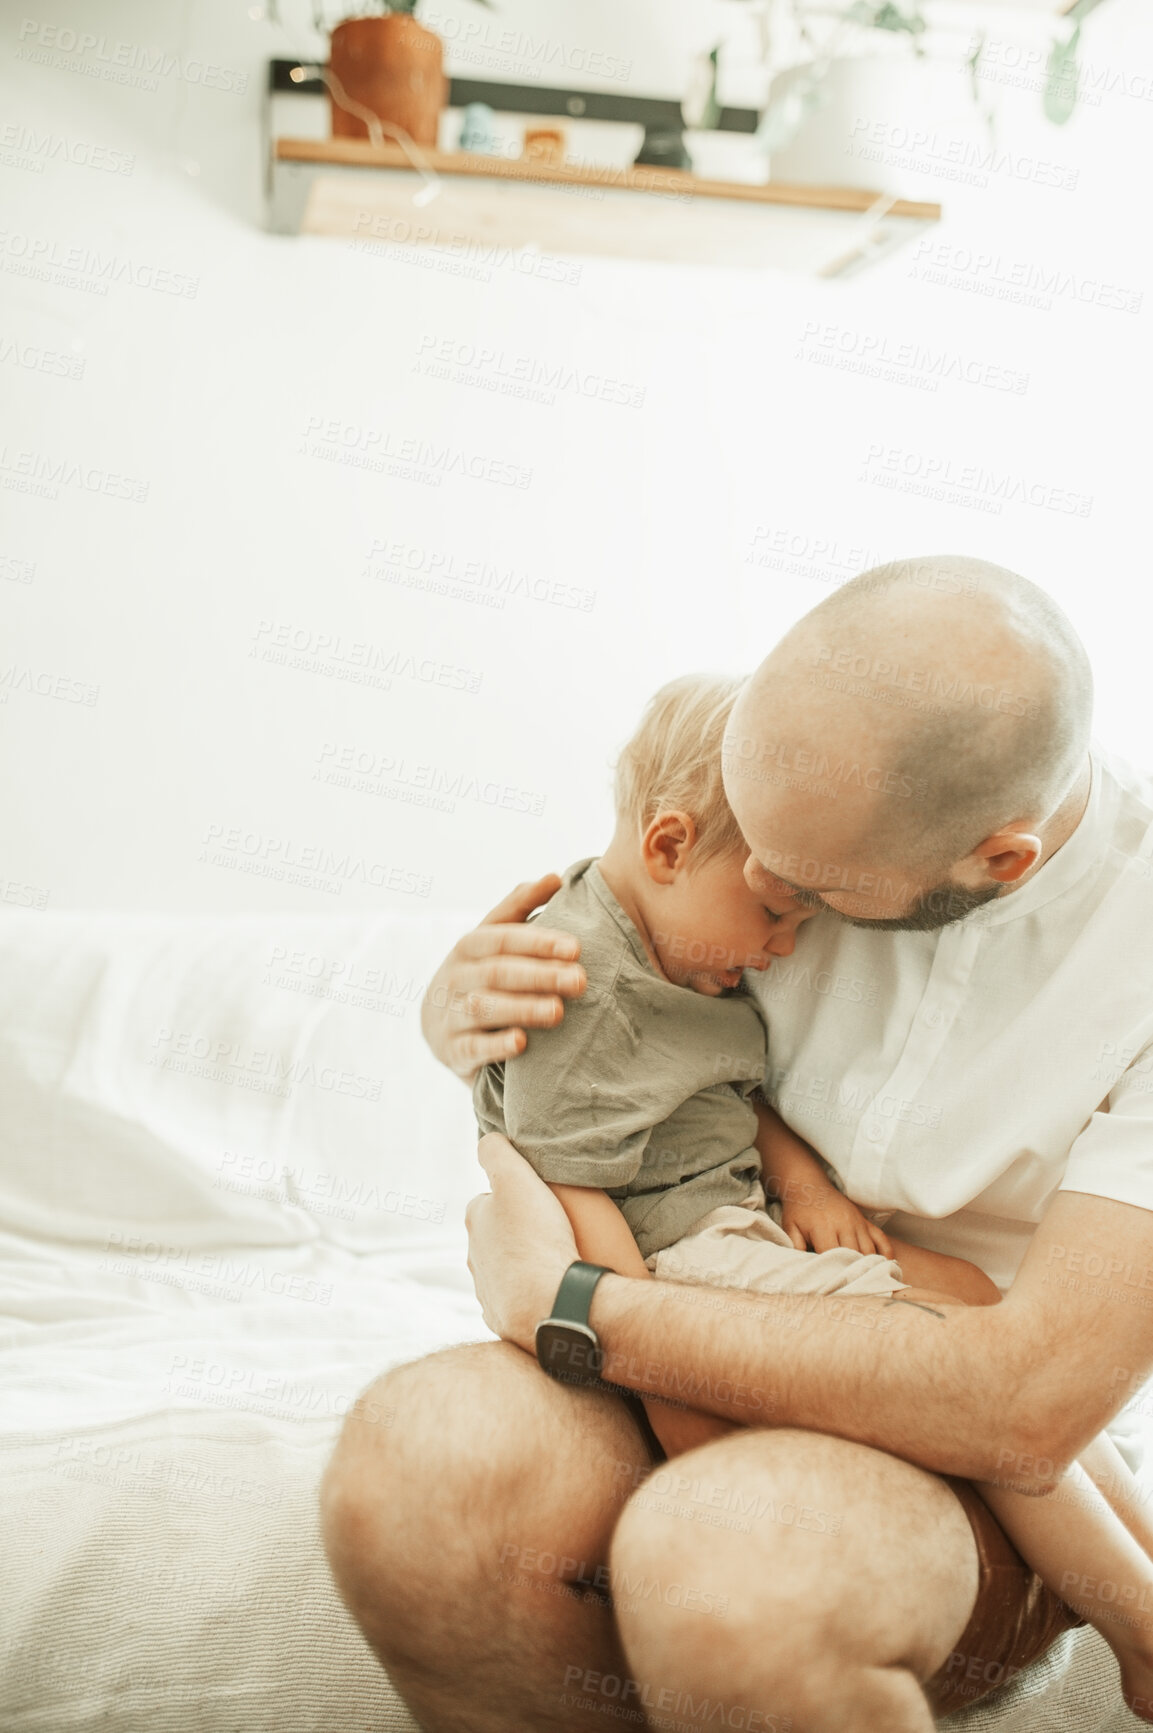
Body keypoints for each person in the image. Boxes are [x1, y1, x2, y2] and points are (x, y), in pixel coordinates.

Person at [322, 556, 1153, 1732]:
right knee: (419, 1468)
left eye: (801, 890)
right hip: (691, 1289)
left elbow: (1025, 1405)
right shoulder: (799, 796)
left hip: (961, 1442)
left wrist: (575, 1304)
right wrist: (459, 1005)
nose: (765, 891)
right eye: (752, 851)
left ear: (993, 861)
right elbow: (612, 971)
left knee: (728, 1566)